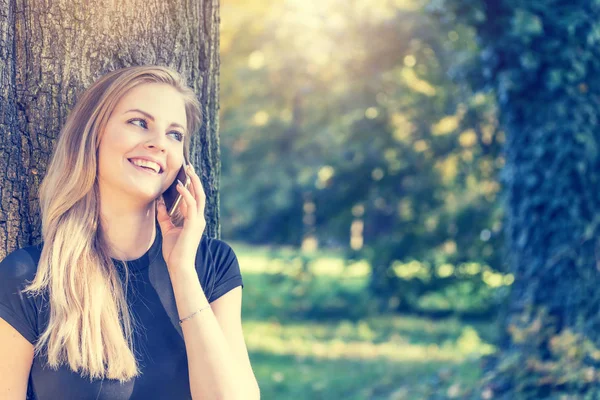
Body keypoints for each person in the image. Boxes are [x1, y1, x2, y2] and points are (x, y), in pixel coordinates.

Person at [0, 65, 260, 399]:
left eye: (175, 134)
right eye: (140, 123)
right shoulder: (28, 277)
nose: (159, 144)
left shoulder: (212, 264)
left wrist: (182, 271)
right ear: (93, 134)